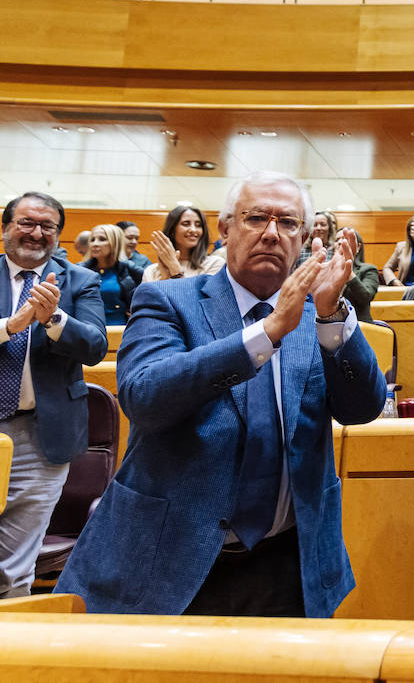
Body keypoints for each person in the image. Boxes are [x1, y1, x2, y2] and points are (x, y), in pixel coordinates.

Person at [57, 171, 386, 617]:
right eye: (256, 219)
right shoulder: (167, 300)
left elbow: (362, 408)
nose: (272, 233)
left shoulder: (320, 312)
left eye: (288, 223)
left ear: (306, 238)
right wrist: (265, 333)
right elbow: (144, 399)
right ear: (227, 228)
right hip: (173, 561)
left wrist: (331, 315)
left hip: (290, 561)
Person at [0, 191, 107, 598]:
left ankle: (12, 653)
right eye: (26, 222)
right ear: (6, 227)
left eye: (48, 227)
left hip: (40, 435)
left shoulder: (81, 280)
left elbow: (96, 346)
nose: (36, 233)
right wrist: (13, 325)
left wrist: (55, 318)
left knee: (14, 567)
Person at [142, 206, 225, 283]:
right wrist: (165, 276)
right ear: (172, 230)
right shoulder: (151, 271)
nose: (193, 229)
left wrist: (175, 268)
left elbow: (198, 298)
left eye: (198, 225)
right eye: (186, 224)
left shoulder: (214, 264)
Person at [82, 224, 143, 325]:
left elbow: (152, 286)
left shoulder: (128, 268)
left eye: (102, 239)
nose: (95, 244)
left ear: (115, 243)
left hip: (120, 329)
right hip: (88, 328)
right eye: (92, 240)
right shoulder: (81, 269)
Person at [382, 215, 414, 288]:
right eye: (412, 230)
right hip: (405, 290)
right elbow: (387, 268)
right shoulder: (401, 247)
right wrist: (394, 281)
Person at [343, 241, 380, 324]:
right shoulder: (328, 270)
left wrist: (349, 273)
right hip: (331, 328)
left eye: (345, 240)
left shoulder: (369, 270)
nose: (341, 243)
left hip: (360, 326)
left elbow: (366, 297)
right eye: (337, 240)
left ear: (358, 247)